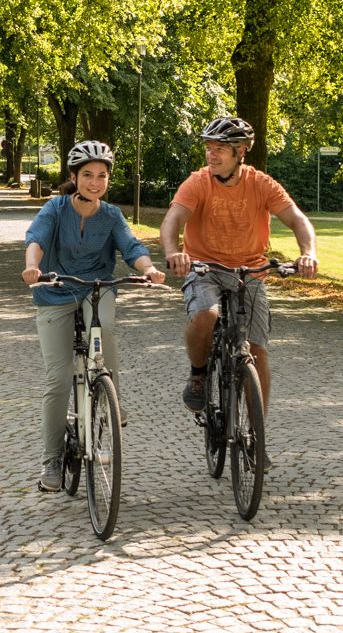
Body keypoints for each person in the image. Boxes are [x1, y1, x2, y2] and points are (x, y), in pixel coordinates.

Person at [22, 140, 164, 491]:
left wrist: (149, 269)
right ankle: (51, 461)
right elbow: (36, 239)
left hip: (96, 287)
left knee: (107, 328)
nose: (95, 182)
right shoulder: (55, 208)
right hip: (55, 291)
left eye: (102, 176)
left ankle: (110, 395)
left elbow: (131, 247)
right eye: (87, 175)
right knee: (58, 379)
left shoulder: (112, 215)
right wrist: (32, 267)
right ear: (74, 176)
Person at [159, 114, 319, 415]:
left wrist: (308, 253)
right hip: (204, 269)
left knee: (257, 350)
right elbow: (173, 220)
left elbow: (297, 219)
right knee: (206, 315)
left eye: (220, 148)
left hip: (250, 272)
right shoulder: (198, 182)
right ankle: (198, 374)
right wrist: (174, 251)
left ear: (241, 151)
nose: (211, 154)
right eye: (209, 147)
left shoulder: (261, 184)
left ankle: (258, 437)